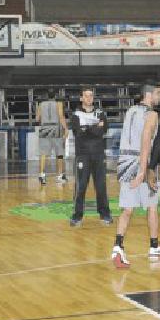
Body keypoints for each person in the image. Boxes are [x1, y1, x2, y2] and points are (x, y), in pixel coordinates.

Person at [111, 81, 160, 268]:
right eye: (158, 93)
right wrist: (143, 170)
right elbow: (146, 139)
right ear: (148, 95)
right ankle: (153, 245)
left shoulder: (130, 111)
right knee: (152, 205)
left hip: (124, 161)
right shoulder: (152, 114)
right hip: (141, 161)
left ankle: (118, 245)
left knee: (128, 209)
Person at [70, 87, 112, 227]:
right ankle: (77, 216)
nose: (89, 98)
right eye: (86, 96)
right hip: (83, 155)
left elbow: (104, 128)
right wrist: (95, 127)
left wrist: (87, 129)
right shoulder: (76, 114)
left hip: (99, 154)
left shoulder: (100, 113)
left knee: (101, 186)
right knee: (80, 187)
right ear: (81, 98)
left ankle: (105, 214)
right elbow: (78, 132)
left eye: (91, 96)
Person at [36, 89, 69, 185]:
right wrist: (66, 128)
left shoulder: (41, 104)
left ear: (47, 96)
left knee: (43, 153)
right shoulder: (58, 103)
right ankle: (59, 176)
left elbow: (37, 118)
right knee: (59, 153)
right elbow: (61, 116)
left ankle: (42, 175)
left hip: (45, 128)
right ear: (55, 96)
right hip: (55, 128)